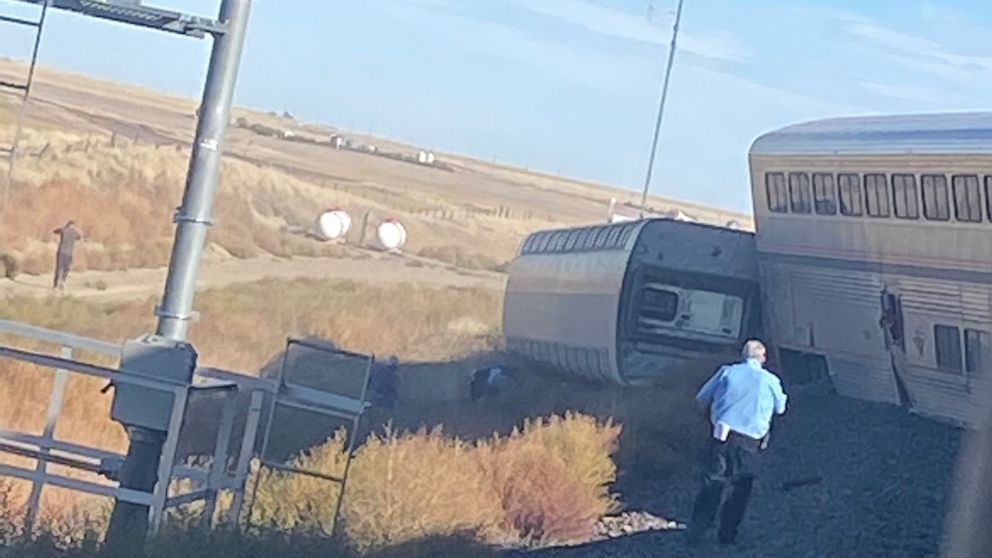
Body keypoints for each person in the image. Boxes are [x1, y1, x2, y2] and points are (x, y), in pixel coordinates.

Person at [687, 339, 788, 546]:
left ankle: (698, 530)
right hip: (751, 442)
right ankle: (727, 535)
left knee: (713, 482)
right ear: (763, 358)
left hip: (721, 436)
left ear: (742, 355)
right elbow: (780, 408)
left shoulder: (726, 372)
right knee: (740, 488)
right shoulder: (770, 380)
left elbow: (701, 397)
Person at [52, 221, 82, 290]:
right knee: (66, 268)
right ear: (73, 226)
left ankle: (56, 285)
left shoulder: (63, 230)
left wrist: (63, 228)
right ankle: (63, 281)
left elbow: (55, 231)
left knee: (59, 268)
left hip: (62, 252)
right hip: (69, 253)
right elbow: (79, 237)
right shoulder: (74, 232)